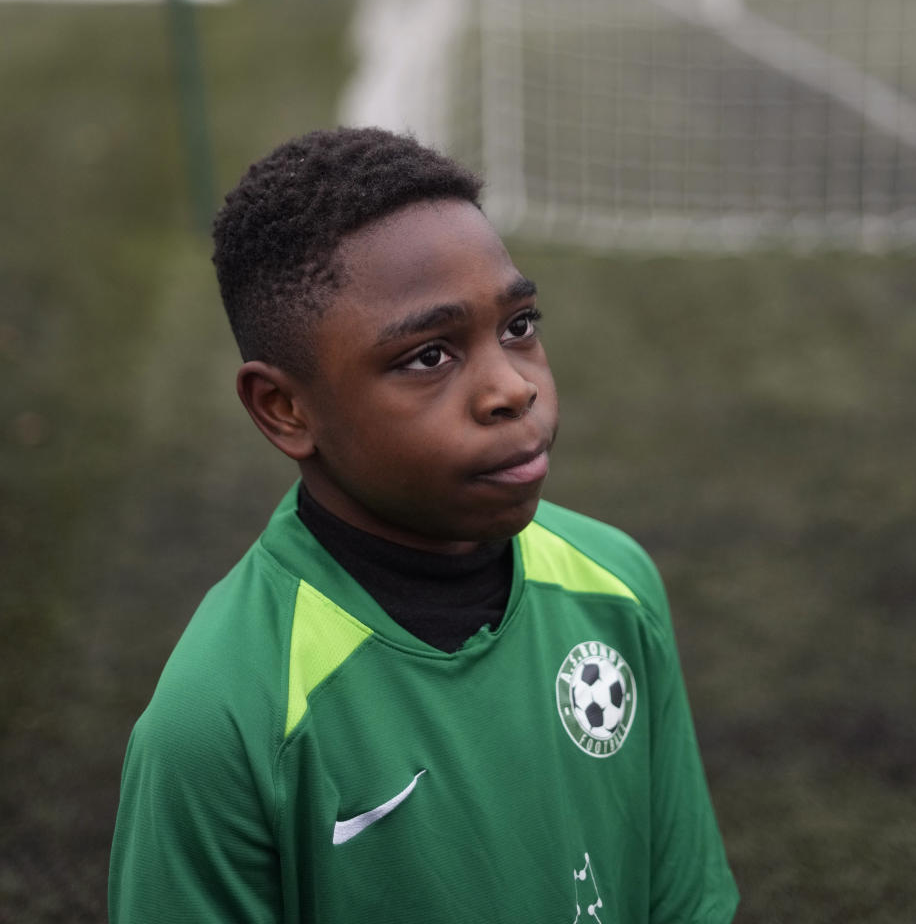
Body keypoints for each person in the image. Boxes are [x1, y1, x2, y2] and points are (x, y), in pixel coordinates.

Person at [109, 126, 738, 924]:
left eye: (519, 325)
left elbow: (683, 899)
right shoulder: (221, 721)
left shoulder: (616, 585)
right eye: (429, 356)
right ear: (285, 408)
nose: (511, 388)